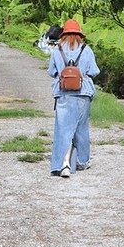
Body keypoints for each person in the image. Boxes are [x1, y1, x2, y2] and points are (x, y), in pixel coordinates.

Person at [46, 19, 100, 178]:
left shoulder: (57, 50)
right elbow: (94, 71)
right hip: (83, 93)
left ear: (64, 35)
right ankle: (82, 161)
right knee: (81, 128)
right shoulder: (86, 49)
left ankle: (63, 164)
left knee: (63, 128)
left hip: (63, 93)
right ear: (79, 35)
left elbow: (51, 71)